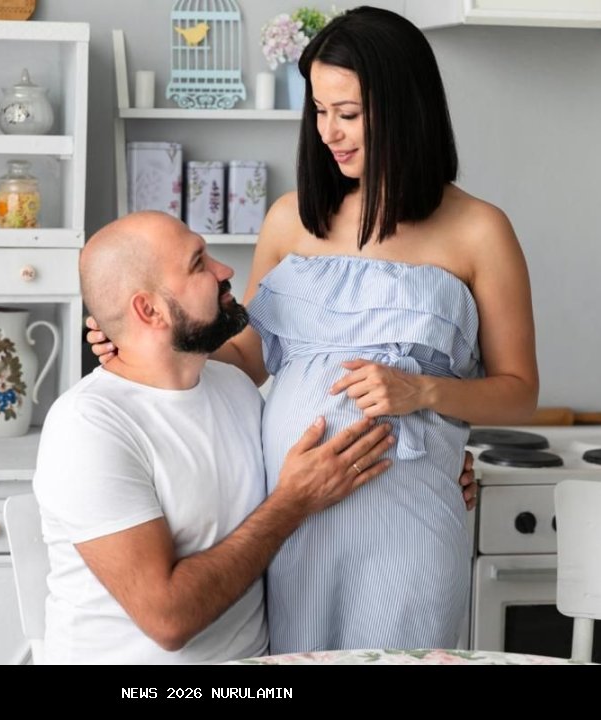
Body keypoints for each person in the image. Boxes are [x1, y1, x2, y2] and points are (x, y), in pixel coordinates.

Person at [90, 7, 537, 654]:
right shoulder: (291, 219)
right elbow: (246, 355)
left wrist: (423, 392)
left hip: (407, 531)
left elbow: (520, 392)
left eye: (347, 113)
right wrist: (142, 346)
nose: (329, 132)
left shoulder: (479, 231)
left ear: (404, 110)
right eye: (320, 111)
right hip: (293, 521)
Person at [35, 211, 476, 664]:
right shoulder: (88, 427)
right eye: (198, 264)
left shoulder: (235, 389)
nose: (225, 271)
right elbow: (169, 620)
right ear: (149, 310)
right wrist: (293, 502)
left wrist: (435, 462)